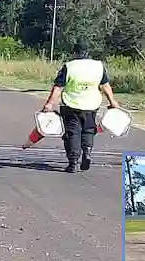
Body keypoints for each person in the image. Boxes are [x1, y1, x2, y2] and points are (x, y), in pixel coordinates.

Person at [41, 38, 119, 173]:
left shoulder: (69, 66)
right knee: (88, 130)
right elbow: (105, 85)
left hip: (71, 105)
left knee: (72, 133)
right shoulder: (98, 66)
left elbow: (58, 87)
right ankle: (87, 152)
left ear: (75, 52)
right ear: (87, 52)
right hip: (91, 105)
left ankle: (73, 162)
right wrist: (113, 102)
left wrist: (49, 104)